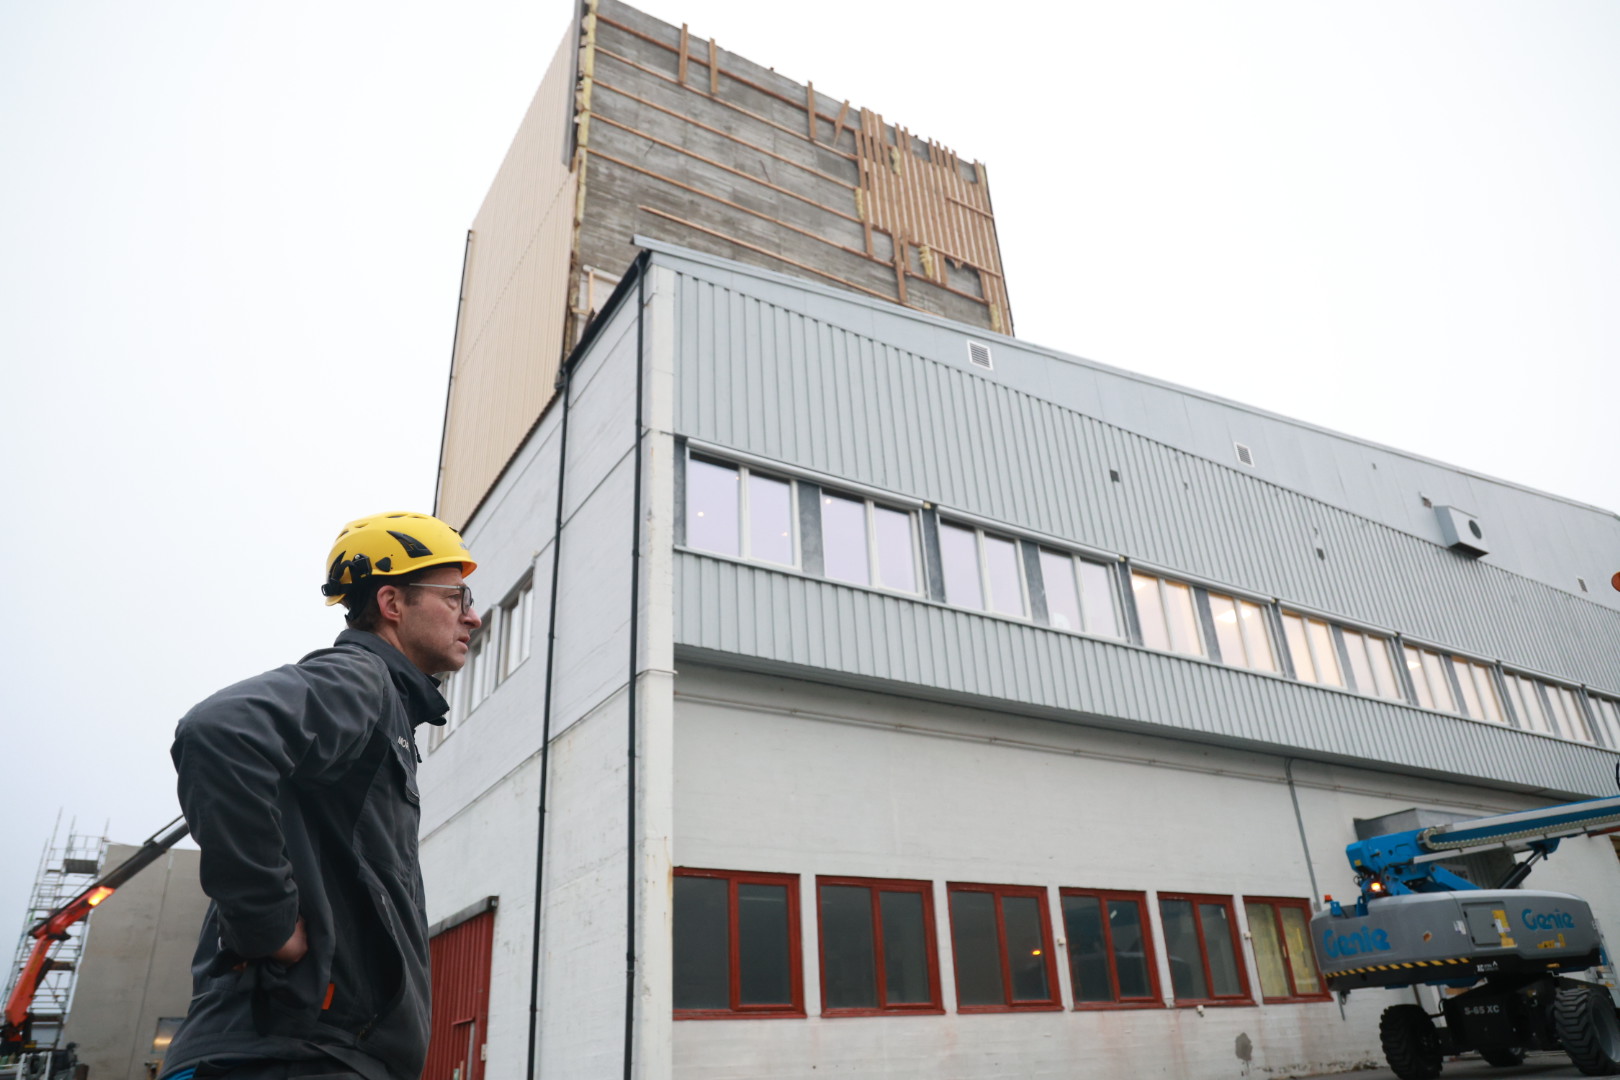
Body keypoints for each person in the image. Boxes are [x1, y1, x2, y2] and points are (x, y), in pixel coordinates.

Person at [161, 512, 479, 1080]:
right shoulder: (362, 678)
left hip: (312, 1052)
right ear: (392, 602)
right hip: (293, 1054)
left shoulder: (388, 708)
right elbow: (220, 732)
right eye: (456, 596)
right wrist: (270, 926)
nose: (472, 615)